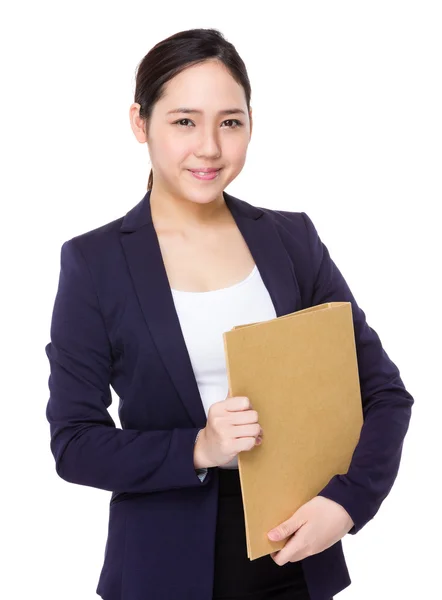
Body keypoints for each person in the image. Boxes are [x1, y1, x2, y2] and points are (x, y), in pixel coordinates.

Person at [45, 28, 414, 600]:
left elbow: (384, 393)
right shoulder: (95, 263)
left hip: (296, 557)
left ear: (250, 124)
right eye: (184, 121)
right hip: (162, 572)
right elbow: (74, 443)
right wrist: (199, 447)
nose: (210, 147)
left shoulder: (292, 240)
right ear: (141, 124)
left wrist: (348, 502)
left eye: (231, 122)